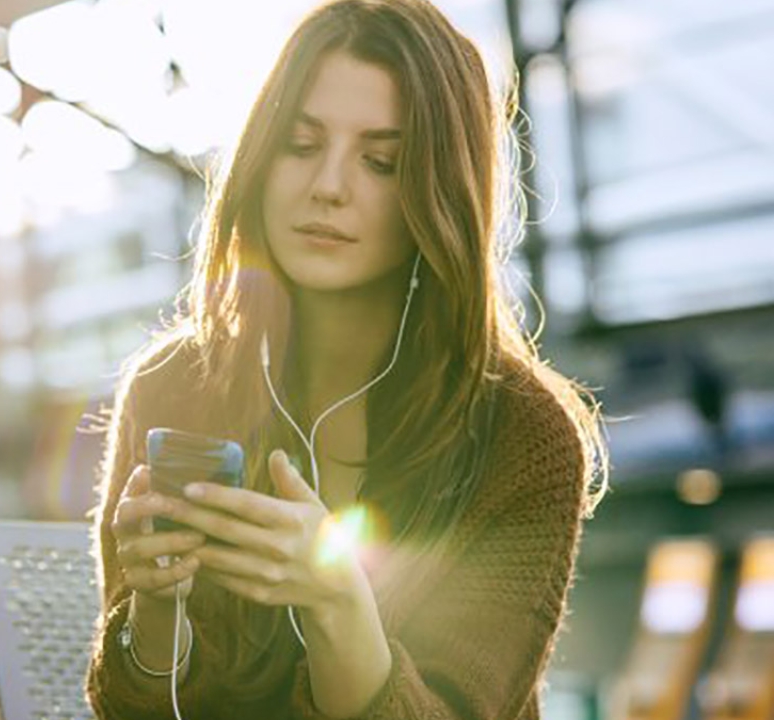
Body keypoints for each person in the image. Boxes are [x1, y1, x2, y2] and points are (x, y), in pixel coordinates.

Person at [84, 1, 608, 719]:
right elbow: (128, 707)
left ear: (439, 189)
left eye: (380, 161)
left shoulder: (523, 436)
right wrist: (154, 607)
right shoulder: (173, 387)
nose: (328, 185)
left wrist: (337, 605)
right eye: (300, 145)